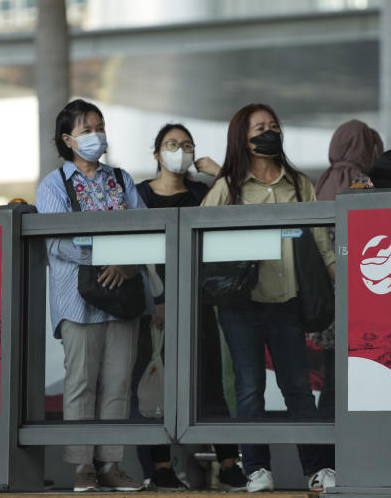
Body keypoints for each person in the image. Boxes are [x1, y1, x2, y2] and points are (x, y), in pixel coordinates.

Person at [201, 104, 337, 493]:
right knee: (249, 388)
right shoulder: (228, 186)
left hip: (287, 300)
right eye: (260, 127)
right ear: (242, 138)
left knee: (297, 388)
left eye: (273, 126)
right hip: (240, 305)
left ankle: (317, 469)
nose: (269, 132)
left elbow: (321, 239)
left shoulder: (298, 184)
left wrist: (335, 276)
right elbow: (201, 235)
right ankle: (256, 469)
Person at [35, 99, 146, 493]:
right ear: (67, 140)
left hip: (122, 296)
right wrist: (109, 258)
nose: (96, 136)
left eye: (99, 127)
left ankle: (111, 464)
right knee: (81, 382)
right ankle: (83, 467)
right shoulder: (53, 185)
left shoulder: (122, 180)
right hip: (77, 300)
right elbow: (59, 241)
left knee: (118, 382)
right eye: (86, 130)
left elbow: (147, 228)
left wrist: (127, 264)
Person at [132, 124, 247, 491]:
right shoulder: (140, 196)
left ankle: (229, 463)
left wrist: (219, 173)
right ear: (156, 153)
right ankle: (160, 467)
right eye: (171, 144)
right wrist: (160, 298)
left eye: (186, 145)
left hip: (199, 301)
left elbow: (243, 203)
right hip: (156, 305)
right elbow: (138, 251)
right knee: (154, 384)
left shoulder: (202, 192)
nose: (178, 151)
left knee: (209, 379)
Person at [312, 119, 383, 415]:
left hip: (326, 300)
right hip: (356, 300)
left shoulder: (322, 181)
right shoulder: (364, 181)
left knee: (330, 380)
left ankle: (325, 456)